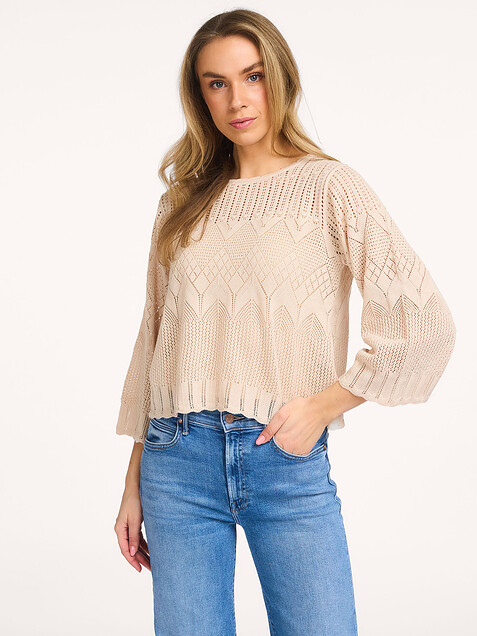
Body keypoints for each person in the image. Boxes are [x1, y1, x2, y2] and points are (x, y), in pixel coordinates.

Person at [113, 9, 456, 636]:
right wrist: (133, 480)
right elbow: (156, 341)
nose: (237, 100)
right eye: (217, 83)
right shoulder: (180, 203)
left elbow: (423, 322)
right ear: (200, 97)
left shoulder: (331, 187)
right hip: (175, 464)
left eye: (253, 76)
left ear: (281, 78)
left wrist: (324, 405)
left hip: (282, 458)